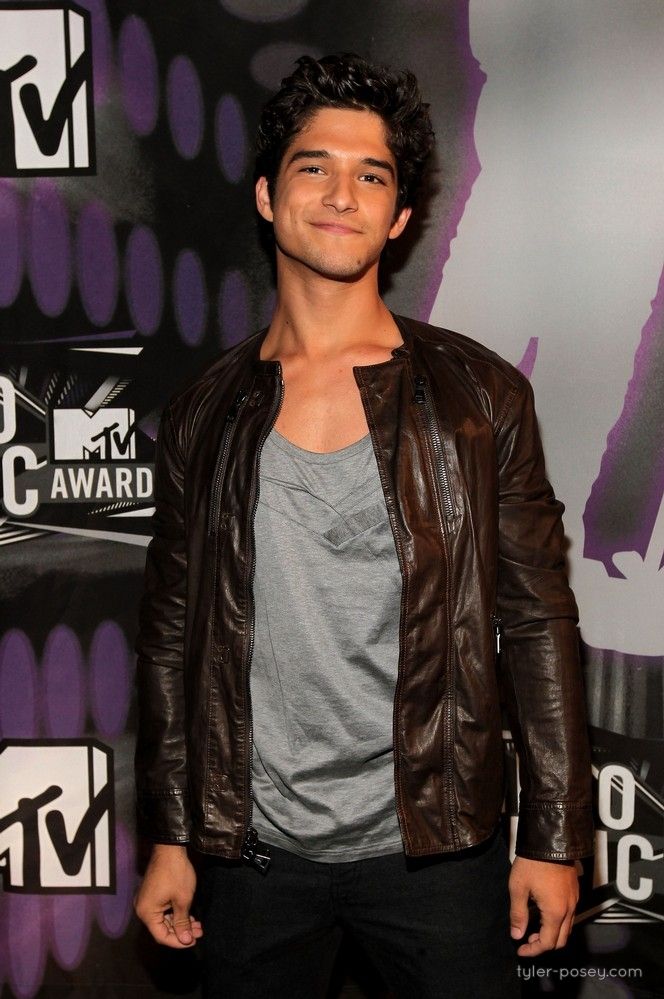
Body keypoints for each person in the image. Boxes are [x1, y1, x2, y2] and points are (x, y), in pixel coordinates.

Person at [134, 53, 593, 998]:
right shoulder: (202, 414)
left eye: (372, 176)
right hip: (251, 852)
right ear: (268, 196)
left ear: (400, 217)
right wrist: (173, 834)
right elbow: (174, 633)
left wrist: (553, 835)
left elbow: (538, 621)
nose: (343, 194)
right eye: (315, 167)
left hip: (437, 848)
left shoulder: (481, 399)